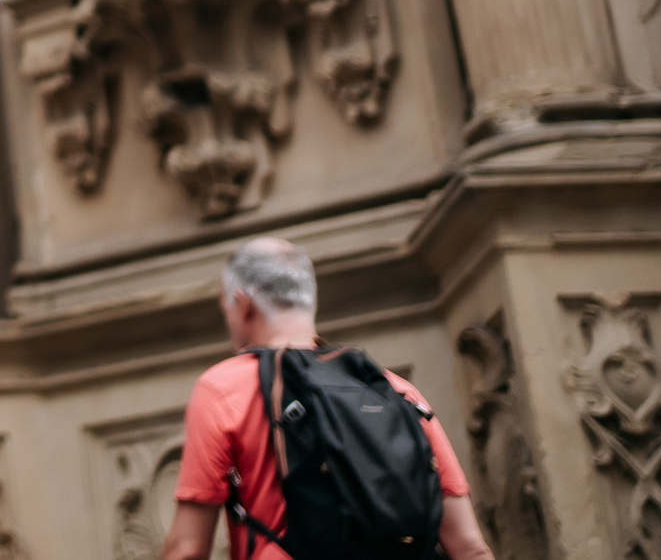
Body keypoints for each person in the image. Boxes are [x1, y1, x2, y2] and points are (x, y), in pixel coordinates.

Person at [162, 237, 495, 560]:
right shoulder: (395, 390)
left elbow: (187, 550)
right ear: (310, 300)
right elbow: (469, 548)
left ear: (243, 305)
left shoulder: (222, 388)